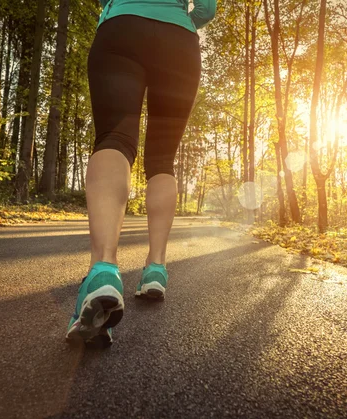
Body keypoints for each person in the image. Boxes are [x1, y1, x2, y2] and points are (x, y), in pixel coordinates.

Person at [66, 0, 217, 345]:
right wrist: (181, 19)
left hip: (122, 30)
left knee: (114, 139)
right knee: (162, 160)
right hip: (179, 40)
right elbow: (207, 8)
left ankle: (103, 269)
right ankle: (156, 269)